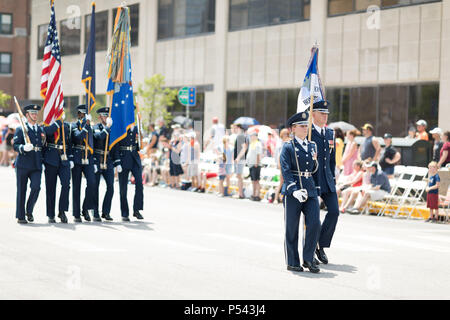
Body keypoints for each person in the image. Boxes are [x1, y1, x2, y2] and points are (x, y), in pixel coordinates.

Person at [280, 110, 321, 273]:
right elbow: (285, 169)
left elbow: (314, 170)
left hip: (309, 189)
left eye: (307, 126)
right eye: (302, 126)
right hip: (294, 191)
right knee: (292, 227)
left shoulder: (312, 146)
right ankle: (292, 261)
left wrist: (317, 190)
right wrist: (294, 189)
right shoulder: (288, 147)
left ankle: (309, 258)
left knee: (314, 224)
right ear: (293, 129)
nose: (305, 128)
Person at [13, 104, 61, 224]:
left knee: (36, 187)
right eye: (32, 113)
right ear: (27, 115)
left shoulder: (40, 129)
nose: (35, 115)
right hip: (23, 163)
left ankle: (29, 210)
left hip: (36, 164)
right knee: (21, 190)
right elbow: (15, 145)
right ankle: (21, 216)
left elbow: (43, 146)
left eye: (36, 113)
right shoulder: (21, 129)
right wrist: (23, 147)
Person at [310, 100, 339, 265]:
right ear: (313, 114)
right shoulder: (307, 132)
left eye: (326, 113)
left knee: (334, 212)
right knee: (313, 217)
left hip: (327, 178)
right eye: (322, 113)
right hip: (313, 178)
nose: (325, 116)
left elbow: (332, 159)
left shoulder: (330, 133)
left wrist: (333, 177)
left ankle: (320, 245)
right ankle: (311, 247)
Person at [43, 112, 72, 224]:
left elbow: (69, 143)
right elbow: (47, 132)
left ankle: (62, 210)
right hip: (51, 158)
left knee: (66, 184)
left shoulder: (66, 126)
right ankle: (51, 214)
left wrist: (70, 158)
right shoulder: (48, 123)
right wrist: (58, 123)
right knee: (51, 187)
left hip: (64, 159)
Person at [70, 105, 97, 223]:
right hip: (77, 157)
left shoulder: (90, 127)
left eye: (86, 115)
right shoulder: (74, 126)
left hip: (89, 158)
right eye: (83, 114)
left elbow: (93, 143)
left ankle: (85, 208)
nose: (85, 117)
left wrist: (95, 160)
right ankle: (76, 214)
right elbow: (78, 136)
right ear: (79, 114)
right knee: (77, 186)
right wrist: (86, 125)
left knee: (92, 183)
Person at [115, 119, 145, 222]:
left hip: (134, 158)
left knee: (140, 184)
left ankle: (136, 210)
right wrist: (117, 161)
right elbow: (116, 145)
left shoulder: (136, 127)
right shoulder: (121, 128)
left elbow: (138, 143)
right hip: (123, 157)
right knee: (123, 188)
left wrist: (141, 143)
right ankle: (124, 213)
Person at [92, 107, 115, 221]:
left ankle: (106, 212)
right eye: (104, 115)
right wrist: (107, 128)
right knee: (95, 186)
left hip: (108, 159)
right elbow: (99, 136)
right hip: (97, 158)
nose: (106, 117)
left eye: (107, 115)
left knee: (110, 187)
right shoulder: (96, 127)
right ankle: (95, 212)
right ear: (100, 117)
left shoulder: (112, 128)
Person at [274, 128, 290, 204]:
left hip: (289, 165)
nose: (286, 135)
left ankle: (282, 197)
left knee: (287, 181)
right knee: (281, 182)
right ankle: (276, 198)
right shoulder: (280, 144)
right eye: (284, 134)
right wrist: (279, 165)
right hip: (282, 165)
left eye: (287, 134)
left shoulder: (289, 142)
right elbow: (279, 156)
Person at [233, 124, 248, 199]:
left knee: (239, 176)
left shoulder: (241, 136)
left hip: (240, 159)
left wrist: (238, 158)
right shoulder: (241, 136)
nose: (233, 129)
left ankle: (240, 193)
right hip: (240, 159)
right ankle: (240, 193)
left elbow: (244, 147)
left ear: (239, 128)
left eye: (235, 128)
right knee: (239, 176)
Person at [247, 131, 262, 201]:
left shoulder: (258, 144)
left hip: (256, 164)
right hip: (251, 164)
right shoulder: (252, 144)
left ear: (256, 136)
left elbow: (258, 154)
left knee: (256, 180)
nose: (251, 137)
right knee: (253, 180)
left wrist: (257, 162)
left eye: (253, 136)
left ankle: (257, 195)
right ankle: (253, 194)